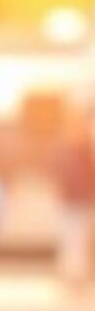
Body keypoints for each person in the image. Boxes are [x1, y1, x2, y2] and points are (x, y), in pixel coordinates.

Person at [53, 101, 95, 292]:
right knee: (74, 238)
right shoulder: (73, 146)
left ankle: (76, 276)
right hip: (73, 200)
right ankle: (73, 276)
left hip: (79, 199)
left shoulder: (80, 146)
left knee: (78, 238)